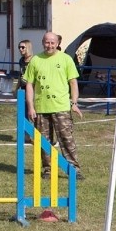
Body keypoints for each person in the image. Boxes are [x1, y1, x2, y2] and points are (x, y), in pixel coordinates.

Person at [23, 32, 84, 180]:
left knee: (66, 139)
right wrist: (30, 107)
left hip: (61, 107)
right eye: (47, 42)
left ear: (57, 43)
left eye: (52, 43)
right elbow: (29, 85)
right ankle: (48, 169)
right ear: (43, 42)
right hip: (41, 108)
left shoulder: (66, 59)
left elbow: (73, 83)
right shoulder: (35, 60)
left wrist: (74, 103)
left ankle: (74, 169)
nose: (49, 45)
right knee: (44, 141)